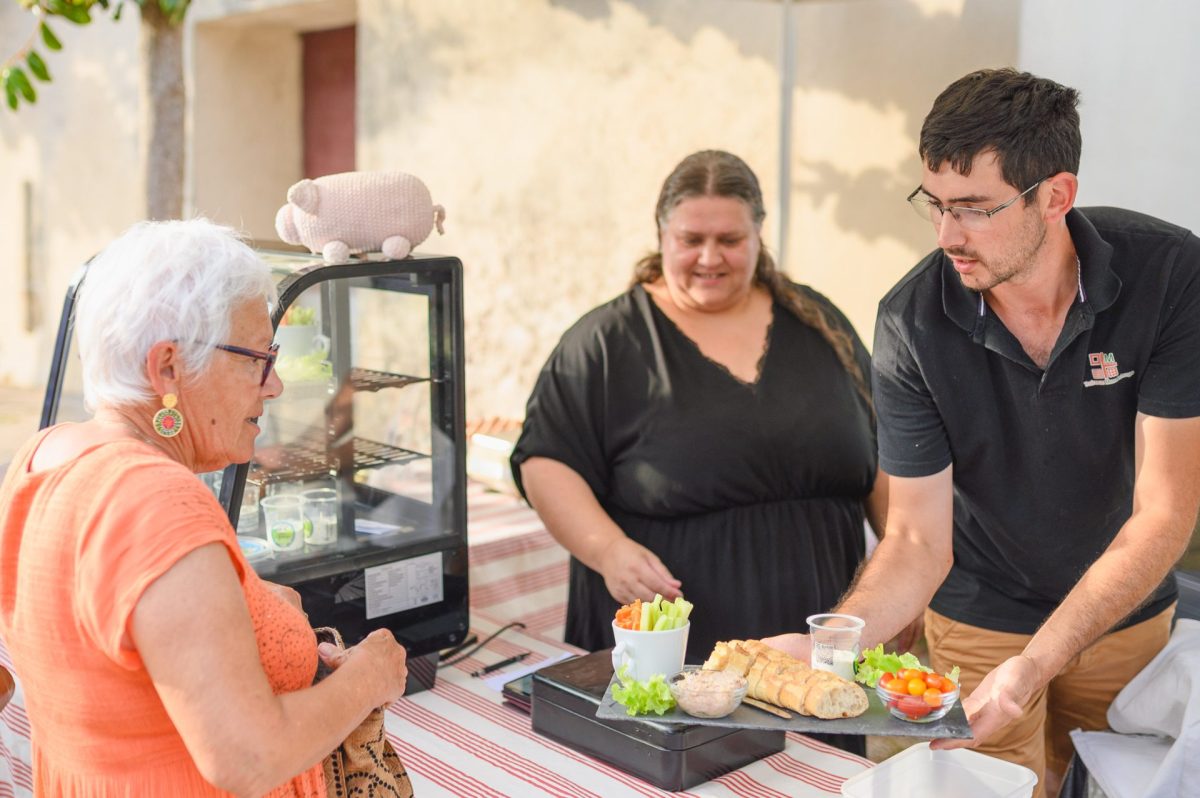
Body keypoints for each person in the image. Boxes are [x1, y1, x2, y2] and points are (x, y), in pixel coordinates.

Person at [765, 68, 1200, 798]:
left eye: (972, 209)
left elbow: (1166, 510)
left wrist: (1040, 663)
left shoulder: (1171, 274)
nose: (945, 236)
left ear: (1055, 197)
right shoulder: (910, 323)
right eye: (933, 205)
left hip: (1123, 617)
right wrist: (828, 646)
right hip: (978, 616)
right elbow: (914, 539)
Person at [0, 220, 410, 797]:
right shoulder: (155, 498)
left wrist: (254, 605)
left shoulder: (43, 454)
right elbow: (246, 759)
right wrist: (369, 679)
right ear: (167, 367)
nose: (274, 387)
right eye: (256, 360)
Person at [511, 150, 885, 720]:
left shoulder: (818, 321)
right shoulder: (607, 342)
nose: (710, 257)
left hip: (814, 654)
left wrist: (892, 597)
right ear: (661, 235)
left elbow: (884, 452)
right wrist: (608, 551)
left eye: (730, 239)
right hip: (676, 647)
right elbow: (546, 461)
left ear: (759, 234)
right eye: (691, 239)